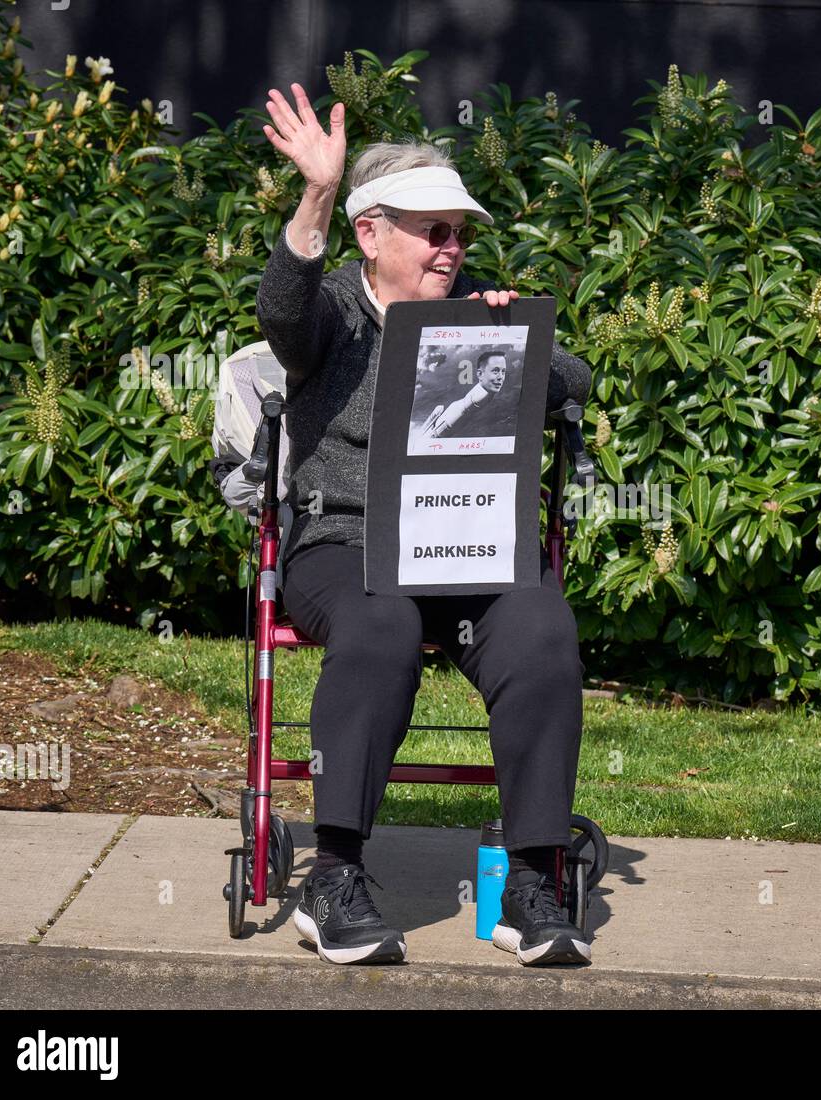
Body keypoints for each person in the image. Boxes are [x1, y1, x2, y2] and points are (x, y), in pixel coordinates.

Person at [256, 84, 590, 967]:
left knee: (544, 631)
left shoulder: (478, 303)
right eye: (433, 231)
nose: (452, 249)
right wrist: (316, 194)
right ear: (371, 233)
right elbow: (279, 314)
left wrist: (513, 340)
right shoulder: (334, 311)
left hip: (466, 544)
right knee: (380, 624)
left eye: (460, 234)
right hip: (349, 543)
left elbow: (577, 379)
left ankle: (531, 880)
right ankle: (333, 879)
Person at [419, 350, 512, 439]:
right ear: (479, 374)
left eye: (503, 371)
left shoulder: (484, 397)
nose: (501, 377)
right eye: (495, 371)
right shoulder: (472, 400)